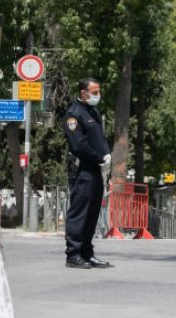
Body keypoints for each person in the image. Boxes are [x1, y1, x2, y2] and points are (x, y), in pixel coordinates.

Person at [62, 77, 112, 269]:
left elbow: (99, 138)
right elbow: (79, 146)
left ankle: (87, 253)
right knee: (80, 212)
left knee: (92, 213)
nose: (98, 95)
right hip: (83, 169)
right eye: (95, 92)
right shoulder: (74, 115)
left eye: (98, 92)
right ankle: (73, 254)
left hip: (96, 169)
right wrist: (100, 157)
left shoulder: (93, 112)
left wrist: (106, 154)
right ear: (84, 93)